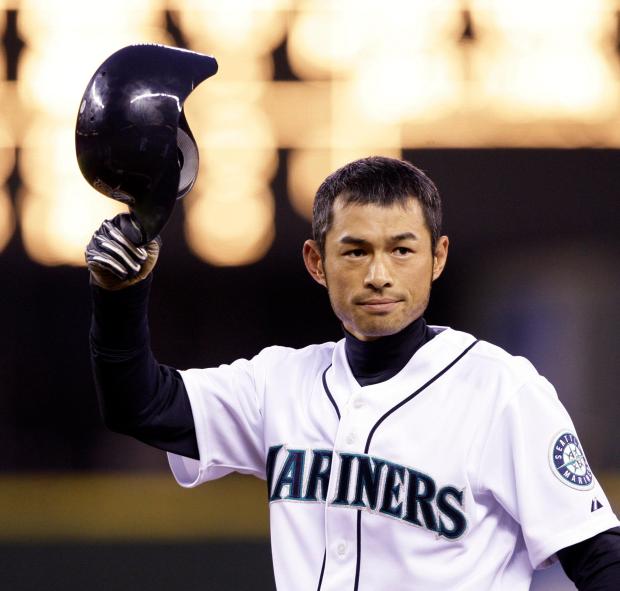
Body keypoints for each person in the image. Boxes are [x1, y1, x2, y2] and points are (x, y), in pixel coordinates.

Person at [87, 156, 620, 590]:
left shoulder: (502, 390)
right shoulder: (279, 384)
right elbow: (141, 406)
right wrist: (119, 298)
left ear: (437, 258)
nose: (380, 274)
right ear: (317, 262)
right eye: (356, 251)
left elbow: (599, 559)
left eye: (402, 250)